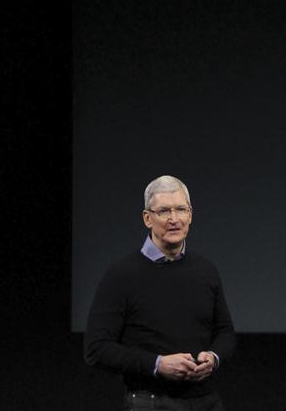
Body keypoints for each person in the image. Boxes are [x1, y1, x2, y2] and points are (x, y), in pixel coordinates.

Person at [84, 175, 236, 411]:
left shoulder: (206, 270)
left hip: (207, 401)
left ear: (190, 215)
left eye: (181, 210)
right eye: (164, 211)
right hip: (151, 403)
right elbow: (96, 348)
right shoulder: (121, 275)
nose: (174, 219)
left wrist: (214, 358)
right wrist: (157, 364)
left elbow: (225, 332)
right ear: (147, 218)